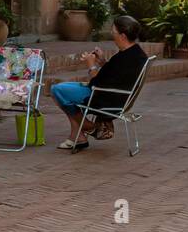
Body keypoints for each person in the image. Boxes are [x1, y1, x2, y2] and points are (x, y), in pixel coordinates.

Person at [49, 15, 149, 152]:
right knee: (62, 90)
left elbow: (97, 83)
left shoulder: (125, 59)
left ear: (123, 36)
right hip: (114, 95)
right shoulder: (135, 53)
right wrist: (102, 61)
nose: (111, 34)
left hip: (103, 98)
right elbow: (115, 75)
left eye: (113, 32)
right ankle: (78, 138)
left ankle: (89, 127)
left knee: (57, 91)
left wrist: (91, 66)